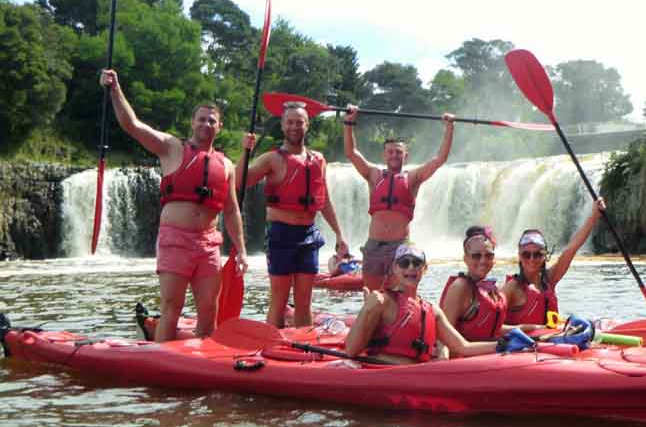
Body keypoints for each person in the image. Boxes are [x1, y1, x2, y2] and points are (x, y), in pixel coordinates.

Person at [100, 69, 248, 342]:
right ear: (192, 123)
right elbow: (132, 124)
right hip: (175, 239)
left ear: (220, 127)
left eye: (212, 120)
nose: (206, 124)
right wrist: (114, 89)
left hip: (209, 244)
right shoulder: (171, 147)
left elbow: (231, 210)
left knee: (209, 309)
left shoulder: (226, 165)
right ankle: (161, 362)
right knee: (171, 308)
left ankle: (202, 365)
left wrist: (241, 250)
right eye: (201, 119)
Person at [238, 101, 347, 328]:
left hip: (309, 235)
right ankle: (270, 348)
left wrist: (339, 234)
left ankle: (301, 349)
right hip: (280, 235)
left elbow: (323, 199)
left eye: (299, 122)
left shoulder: (318, 160)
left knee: (304, 302)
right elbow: (240, 182)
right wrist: (245, 152)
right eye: (290, 122)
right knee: (278, 301)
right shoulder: (271, 159)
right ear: (282, 126)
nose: (294, 126)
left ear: (307, 125)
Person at [342, 106, 455, 290]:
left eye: (398, 152)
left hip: (399, 248)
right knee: (371, 295)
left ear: (406, 156)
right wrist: (349, 122)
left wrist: (449, 129)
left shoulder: (413, 178)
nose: (394, 155)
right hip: (374, 247)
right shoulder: (373, 175)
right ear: (384, 154)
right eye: (391, 151)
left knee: (401, 300)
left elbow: (439, 159)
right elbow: (351, 153)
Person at [345, 244, 502, 365]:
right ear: (395, 268)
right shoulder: (382, 301)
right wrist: (367, 310)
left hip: (418, 376)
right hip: (384, 373)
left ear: (425, 269)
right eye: (404, 263)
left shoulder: (433, 310)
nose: (411, 267)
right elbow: (351, 350)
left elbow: (463, 347)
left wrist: (503, 345)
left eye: (417, 263)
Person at [502, 198, 606, 326]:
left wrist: (594, 216)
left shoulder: (549, 279)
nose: (532, 259)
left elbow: (571, 249)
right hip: (523, 344)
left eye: (538, 254)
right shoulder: (512, 287)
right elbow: (493, 323)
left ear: (545, 255)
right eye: (526, 254)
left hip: (549, 340)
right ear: (519, 256)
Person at [439, 226, 541, 342]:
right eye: (476, 256)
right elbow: (443, 339)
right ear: (466, 258)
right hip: (465, 356)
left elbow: (489, 329)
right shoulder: (460, 287)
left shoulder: (491, 289)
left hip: (486, 352)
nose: (483, 261)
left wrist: (528, 328)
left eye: (488, 255)